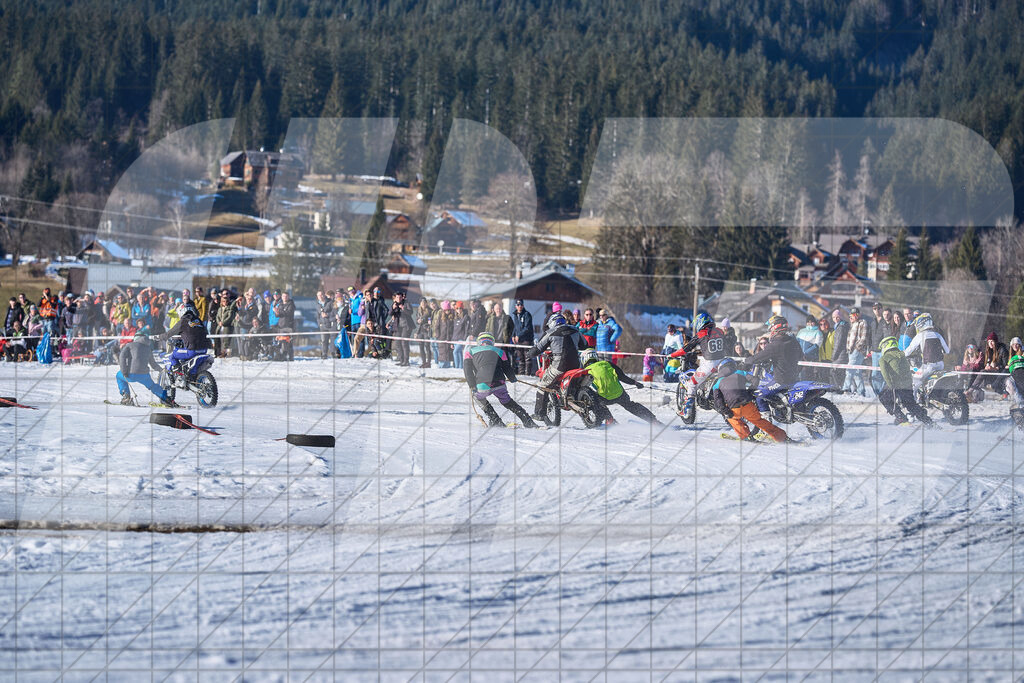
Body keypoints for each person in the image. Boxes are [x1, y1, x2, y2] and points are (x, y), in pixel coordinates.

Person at [463, 331, 537, 428]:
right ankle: (527, 420)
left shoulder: (470, 352)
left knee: (478, 397)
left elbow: (467, 370)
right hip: (499, 383)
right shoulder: (500, 351)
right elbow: (507, 367)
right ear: (492, 342)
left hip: (483, 385)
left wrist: (472, 385)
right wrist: (512, 378)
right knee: (507, 401)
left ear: (479, 342)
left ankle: (495, 419)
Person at [711, 358, 788, 443]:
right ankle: (782, 437)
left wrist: (725, 411)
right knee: (759, 421)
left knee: (732, 419)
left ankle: (746, 436)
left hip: (733, 409)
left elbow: (718, 401)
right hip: (747, 404)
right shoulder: (740, 372)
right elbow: (755, 380)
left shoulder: (717, 383)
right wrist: (750, 392)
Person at [669, 311, 729, 417]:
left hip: (711, 364)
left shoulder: (701, 334)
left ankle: (686, 410)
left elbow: (686, 348)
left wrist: (672, 355)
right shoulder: (719, 331)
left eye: (697, 323)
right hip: (723, 361)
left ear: (701, 322)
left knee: (692, 383)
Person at [527, 314, 588, 420]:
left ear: (552, 323)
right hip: (576, 365)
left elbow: (537, 349)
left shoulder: (550, 333)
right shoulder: (575, 330)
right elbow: (585, 345)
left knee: (542, 385)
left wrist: (529, 353)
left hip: (559, 366)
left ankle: (539, 414)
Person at [580, 348, 659, 424]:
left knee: (594, 400)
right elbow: (622, 377)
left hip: (605, 398)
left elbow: (583, 387)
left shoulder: (586, 371)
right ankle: (653, 421)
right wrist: (635, 383)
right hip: (620, 394)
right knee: (630, 405)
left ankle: (609, 419)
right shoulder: (607, 363)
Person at [877, 335, 934, 426]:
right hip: (907, 383)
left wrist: (891, 386)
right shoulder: (902, 355)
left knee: (883, 397)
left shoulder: (883, 359)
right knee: (910, 404)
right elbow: (907, 369)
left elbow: (885, 375)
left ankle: (900, 416)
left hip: (895, 384)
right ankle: (928, 421)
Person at [741, 316, 804, 397]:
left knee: (759, 395)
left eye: (770, 328)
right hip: (794, 378)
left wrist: (745, 362)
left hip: (781, 381)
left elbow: (757, 357)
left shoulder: (774, 345)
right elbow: (801, 356)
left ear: (774, 328)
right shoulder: (793, 341)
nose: (770, 331)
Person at [115, 332, 174, 406]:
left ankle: (126, 396)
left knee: (119, 376)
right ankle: (166, 399)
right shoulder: (148, 348)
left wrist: (124, 371)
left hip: (130, 373)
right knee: (152, 386)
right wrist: (162, 370)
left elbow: (122, 356)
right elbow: (153, 364)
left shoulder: (130, 345)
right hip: (144, 375)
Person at [844, 307, 869, 396]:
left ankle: (846, 389)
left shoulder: (862, 322)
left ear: (858, 315)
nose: (853, 317)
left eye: (855, 315)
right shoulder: (852, 324)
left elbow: (863, 337)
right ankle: (861, 391)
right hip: (851, 351)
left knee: (849, 370)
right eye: (851, 315)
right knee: (857, 372)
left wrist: (856, 348)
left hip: (858, 350)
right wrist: (849, 348)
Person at [510, 298, 535, 374]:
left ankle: (527, 374)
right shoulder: (515, 315)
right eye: (518, 305)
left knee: (527, 358)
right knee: (520, 358)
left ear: (523, 305)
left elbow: (527, 328)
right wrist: (513, 335)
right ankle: (521, 374)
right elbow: (515, 326)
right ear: (515, 306)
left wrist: (519, 335)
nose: (519, 306)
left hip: (526, 339)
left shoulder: (527, 314)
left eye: (521, 304)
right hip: (519, 340)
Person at [829, 308, 850, 390]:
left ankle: (838, 388)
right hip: (841, 353)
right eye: (834, 317)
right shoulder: (839, 326)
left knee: (835, 371)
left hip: (841, 354)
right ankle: (840, 387)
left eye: (837, 317)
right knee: (839, 372)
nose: (835, 319)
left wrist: (834, 356)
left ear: (840, 317)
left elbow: (838, 343)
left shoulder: (841, 327)